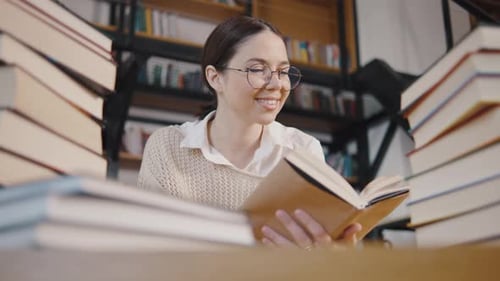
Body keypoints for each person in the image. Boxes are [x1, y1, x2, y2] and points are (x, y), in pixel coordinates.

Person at [138, 16, 361, 249]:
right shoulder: (167, 148)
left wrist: (328, 257)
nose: (277, 84)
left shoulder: (302, 151)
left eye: (283, 71)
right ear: (215, 78)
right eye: (257, 69)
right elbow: (150, 253)